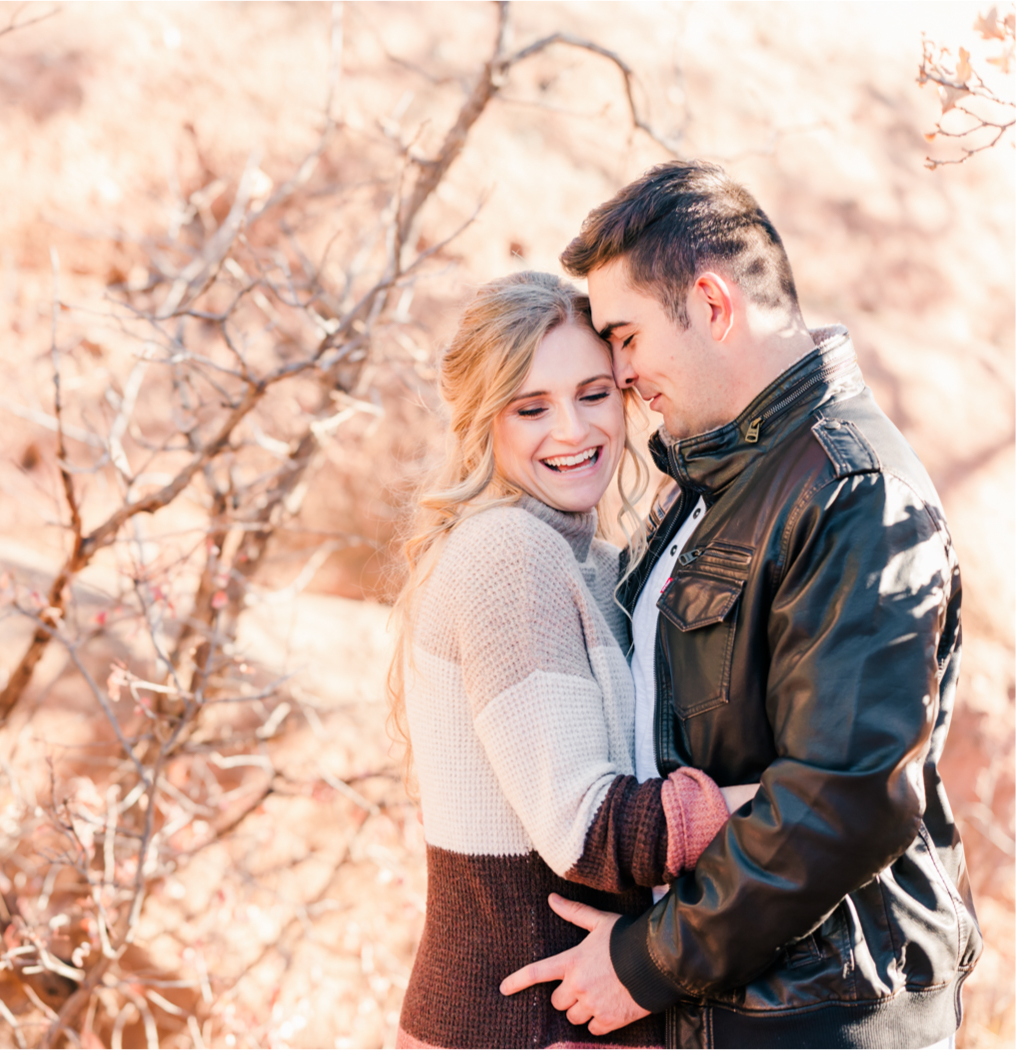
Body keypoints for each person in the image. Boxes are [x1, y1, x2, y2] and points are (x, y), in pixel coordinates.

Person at [500, 161, 982, 1049]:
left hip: (823, 1015)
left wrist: (647, 963)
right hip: (730, 999)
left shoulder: (853, 491)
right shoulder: (713, 474)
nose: (621, 370)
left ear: (714, 305)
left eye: (628, 335)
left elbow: (846, 796)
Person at [389, 271, 754, 1049]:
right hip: (519, 1024)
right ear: (483, 423)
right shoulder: (510, 554)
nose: (573, 430)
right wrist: (787, 805)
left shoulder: (587, 559)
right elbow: (585, 826)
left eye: (593, 394)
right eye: (531, 408)